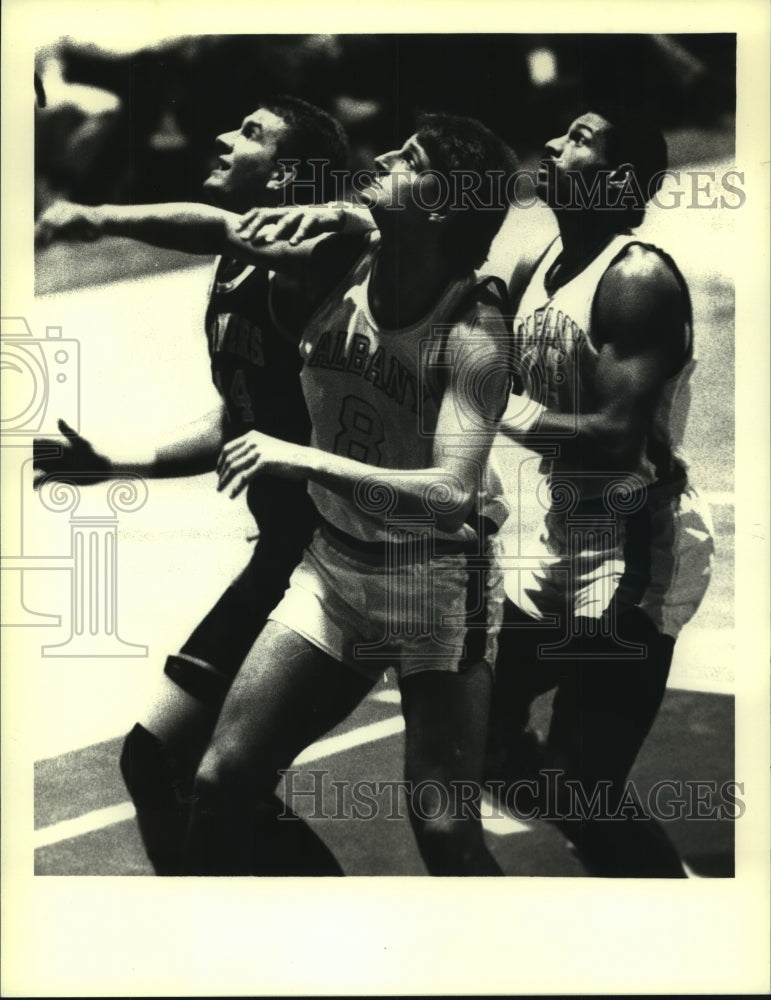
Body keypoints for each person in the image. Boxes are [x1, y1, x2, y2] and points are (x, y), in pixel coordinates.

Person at [180, 113, 515, 875]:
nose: (387, 152)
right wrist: (85, 221)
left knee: (443, 832)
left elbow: (450, 492)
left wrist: (302, 459)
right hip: (334, 569)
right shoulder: (335, 263)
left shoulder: (474, 323)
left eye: (413, 158)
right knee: (220, 779)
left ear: (439, 205)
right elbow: (211, 226)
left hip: (433, 582)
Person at [34, 95, 353, 875]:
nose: (219, 134)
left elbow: (213, 223)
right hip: (283, 548)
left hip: (330, 560)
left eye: (248, 133)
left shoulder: (305, 262)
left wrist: (95, 215)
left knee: (181, 769)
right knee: (182, 772)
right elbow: (241, 418)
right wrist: (117, 464)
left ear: (288, 177)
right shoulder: (241, 261)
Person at [485, 105, 715, 876]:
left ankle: (673, 905)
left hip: (635, 544)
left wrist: (491, 399)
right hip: (563, 536)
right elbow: (446, 305)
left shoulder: (636, 278)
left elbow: (614, 434)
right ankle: (610, 844)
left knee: (581, 785)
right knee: (477, 730)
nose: (550, 143)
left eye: (577, 139)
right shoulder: (534, 264)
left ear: (617, 179)